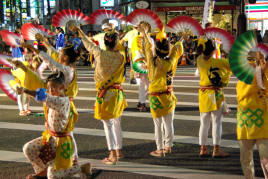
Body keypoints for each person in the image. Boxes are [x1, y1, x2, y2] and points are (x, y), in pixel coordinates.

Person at [17, 72, 91, 179]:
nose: (51, 91)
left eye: (54, 88)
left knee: (53, 176)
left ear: (62, 87)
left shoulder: (62, 101)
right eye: (49, 88)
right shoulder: (54, 98)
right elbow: (43, 96)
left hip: (61, 143)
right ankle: (42, 173)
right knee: (28, 148)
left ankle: (80, 169)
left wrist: (24, 90)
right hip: (51, 137)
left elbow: (43, 97)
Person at [73, 25, 127, 165]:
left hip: (105, 94)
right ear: (116, 42)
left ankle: (112, 154)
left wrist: (79, 31)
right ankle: (119, 150)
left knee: (108, 124)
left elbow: (87, 43)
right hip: (117, 94)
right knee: (116, 122)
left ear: (105, 42)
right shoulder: (121, 57)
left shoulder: (99, 53)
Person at [141, 27, 183, 157]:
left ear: (156, 49)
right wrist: (180, 39)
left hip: (155, 97)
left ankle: (159, 149)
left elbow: (147, 47)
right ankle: (168, 146)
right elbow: (176, 50)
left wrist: (144, 33)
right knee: (169, 123)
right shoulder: (171, 61)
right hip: (168, 95)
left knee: (158, 124)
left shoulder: (152, 62)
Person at [197, 39, 232, 158]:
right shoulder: (221, 62)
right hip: (215, 94)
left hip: (204, 94)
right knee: (217, 122)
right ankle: (216, 150)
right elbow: (232, 67)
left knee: (204, 123)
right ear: (214, 50)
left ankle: (203, 149)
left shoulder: (199, 60)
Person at [236, 51, 268, 179]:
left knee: (262, 158)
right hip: (248, 123)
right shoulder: (248, 77)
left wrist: (262, 65)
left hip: (258, 122)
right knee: (247, 158)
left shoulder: (262, 76)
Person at [131, 21, 154, 112]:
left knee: (148, 85)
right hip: (141, 64)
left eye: (146, 27)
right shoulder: (136, 39)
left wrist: (152, 62)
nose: (145, 29)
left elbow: (153, 52)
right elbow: (137, 52)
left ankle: (141, 102)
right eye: (143, 27)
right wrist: (145, 61)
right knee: (142, 85)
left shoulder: (150, 39)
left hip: (149, 64)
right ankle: (142, 103)